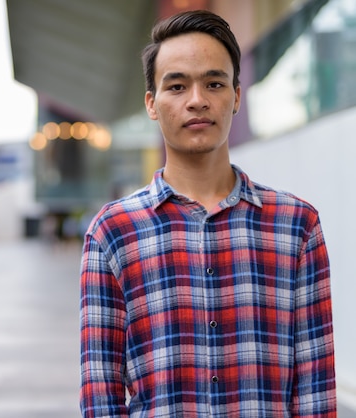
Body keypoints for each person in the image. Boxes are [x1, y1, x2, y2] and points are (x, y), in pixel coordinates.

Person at [79, 10, 336, 417]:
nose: (197, 100)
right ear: (152, 103)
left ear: (236, 96)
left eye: (214, 83)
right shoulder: (112, 232)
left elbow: (315, 388)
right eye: (177, 85)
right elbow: (101, 393)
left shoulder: (296, 225)